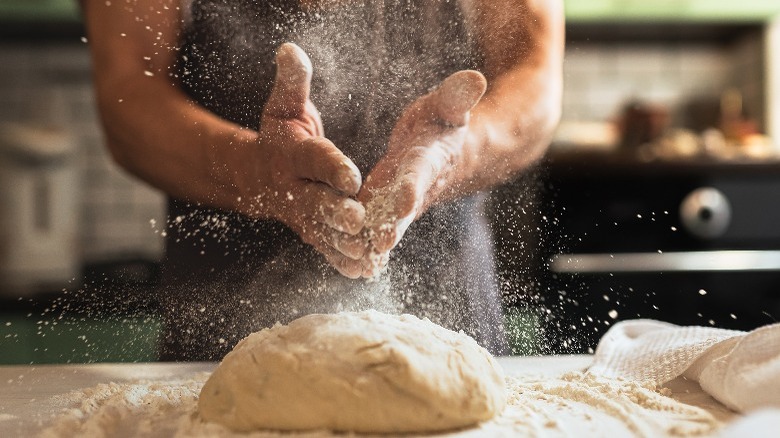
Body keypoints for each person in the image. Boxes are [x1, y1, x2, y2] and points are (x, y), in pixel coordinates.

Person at [81, 0, 564, 360]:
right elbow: (129, 96)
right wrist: (256, 172)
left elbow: (534, 79)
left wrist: (454, 153)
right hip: (224, 336)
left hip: (450, 322)